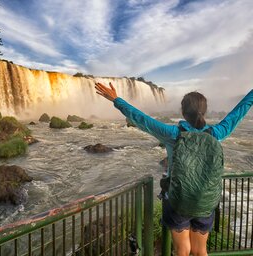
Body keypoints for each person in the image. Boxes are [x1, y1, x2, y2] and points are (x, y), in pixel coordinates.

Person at [95, 82, 253, 256]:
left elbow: (141, 119)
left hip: (177, 200)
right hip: (205, 200)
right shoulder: (217, 133)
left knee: (182, 250)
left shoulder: (173, 133)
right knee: (201, 250)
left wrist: (116, 100)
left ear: (183, 112)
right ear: (205, 111)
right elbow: (238, 112)